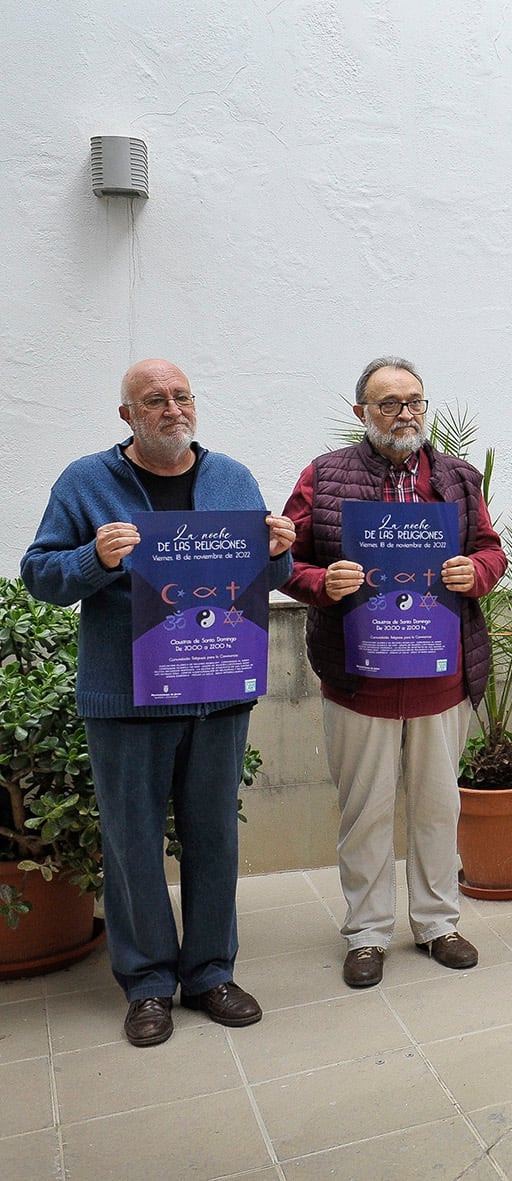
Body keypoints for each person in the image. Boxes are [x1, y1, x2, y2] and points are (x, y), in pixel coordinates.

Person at [22, 359, 295, 1047]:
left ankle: (209, 973)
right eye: (153, 400)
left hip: (217, 689)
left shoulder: (231, 476)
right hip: (126, 698)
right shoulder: (86, 482)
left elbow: (261, 572)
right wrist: (94, 558)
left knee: (214, 836)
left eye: (180, 396)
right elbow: (40, 574)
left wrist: (281, 554)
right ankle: (147, 984)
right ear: (128, 416)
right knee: (132, 843)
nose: (171, 409)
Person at [281, 356, 506, 988]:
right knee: (366, 812)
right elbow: (283, 561)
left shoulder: (458, 479)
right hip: (359, 680)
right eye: (388, 403)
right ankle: (368, 932)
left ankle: (438, 924)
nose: (405, 414)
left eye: (414, 401)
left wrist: (477, 573)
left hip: (443, 676)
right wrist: (323, 581)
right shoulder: (323, 477)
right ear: (362, 414)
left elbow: (491, 550)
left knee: (438, 808)